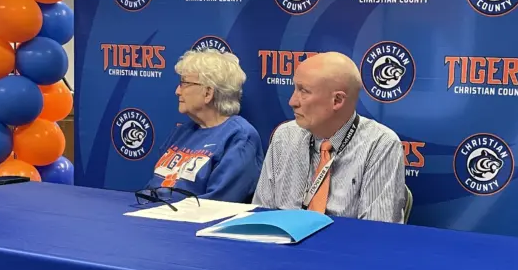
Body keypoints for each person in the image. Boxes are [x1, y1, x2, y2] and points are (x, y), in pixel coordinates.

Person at [252, 52, 407, 223]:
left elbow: (376, 231)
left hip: (345, 241)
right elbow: (261, 216)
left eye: (303, 91)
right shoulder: (284, 136)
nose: (292, 101)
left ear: (337, 100)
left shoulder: (380, 144)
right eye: (294, 89)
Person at [141, 49, 263, 204]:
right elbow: (151, 189)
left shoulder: (239, 137)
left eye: (184, 83)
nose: (177, 91)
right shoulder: (182, 132)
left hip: (190, 218)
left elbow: (218, 203)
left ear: (208, 93)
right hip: (151, 214)